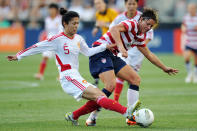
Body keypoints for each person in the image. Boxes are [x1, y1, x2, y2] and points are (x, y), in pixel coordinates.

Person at [6, 8, 140, 126]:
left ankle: (73, 116)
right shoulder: (57, 39)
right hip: (67, 77)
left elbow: (88, 52)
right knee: (100, 96)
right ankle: (126, 112)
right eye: (73, 23)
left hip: (75, 75)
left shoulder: (78, 39)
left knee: (99, 97)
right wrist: (19, 55)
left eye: (77, 23)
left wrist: (105, 46)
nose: (76, 26)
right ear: (65, 24)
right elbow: (37, 47)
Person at [86, 8, 178, 126]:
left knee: (135, 79)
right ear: (141, 19)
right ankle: (92, 116)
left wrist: (164, 68)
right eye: (147, 24)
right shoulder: (132, 23)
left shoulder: (139, 36)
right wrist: (121, 47)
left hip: (112, 55)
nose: (149, 27)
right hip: (100, 51)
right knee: (110, 86)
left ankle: (131, 116)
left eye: (151, 26)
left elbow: (149, 54)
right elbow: (114, 29)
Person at [92, 0, 118, 86]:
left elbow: (118, 26)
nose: (98, 5)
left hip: (115, 40)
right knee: (95, 54)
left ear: (105, 3)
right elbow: (98, 22)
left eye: (99, 3)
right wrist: (96, 28)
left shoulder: (113, 13)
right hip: (105, 41)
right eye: (96, 4)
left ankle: (127, 77)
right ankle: (96, 79)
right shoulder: (97, 13)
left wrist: (105, 24)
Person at [35, 3, 62, 80]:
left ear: (56, 10)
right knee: (45, 56)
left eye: (53, 9)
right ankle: (40, 74)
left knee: (60, 59)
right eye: (50, 9)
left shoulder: (60, 19)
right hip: (49, 41)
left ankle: (61, 75)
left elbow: (61, 31)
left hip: (58, 41)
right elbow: (47, 31)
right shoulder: (47, 19)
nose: (51, 11)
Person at [181, 3, 197, 83]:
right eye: (189, 8)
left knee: (196, 61)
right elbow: (183, 25)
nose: (190, 10)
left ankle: (195, 75)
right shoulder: (186, 17)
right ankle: (189, 74)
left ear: (195, 9)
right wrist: (183, 28)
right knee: (186, 57)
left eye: (192, 8)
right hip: (189, 42)